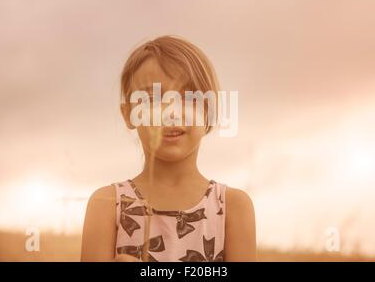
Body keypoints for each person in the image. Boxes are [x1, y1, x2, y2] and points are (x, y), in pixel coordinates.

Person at [81, 35, 256, 262]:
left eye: (188, 97)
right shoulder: (106, 205)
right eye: (153, 98)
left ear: (209, 110)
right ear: (129, 114)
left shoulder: (232, 207)